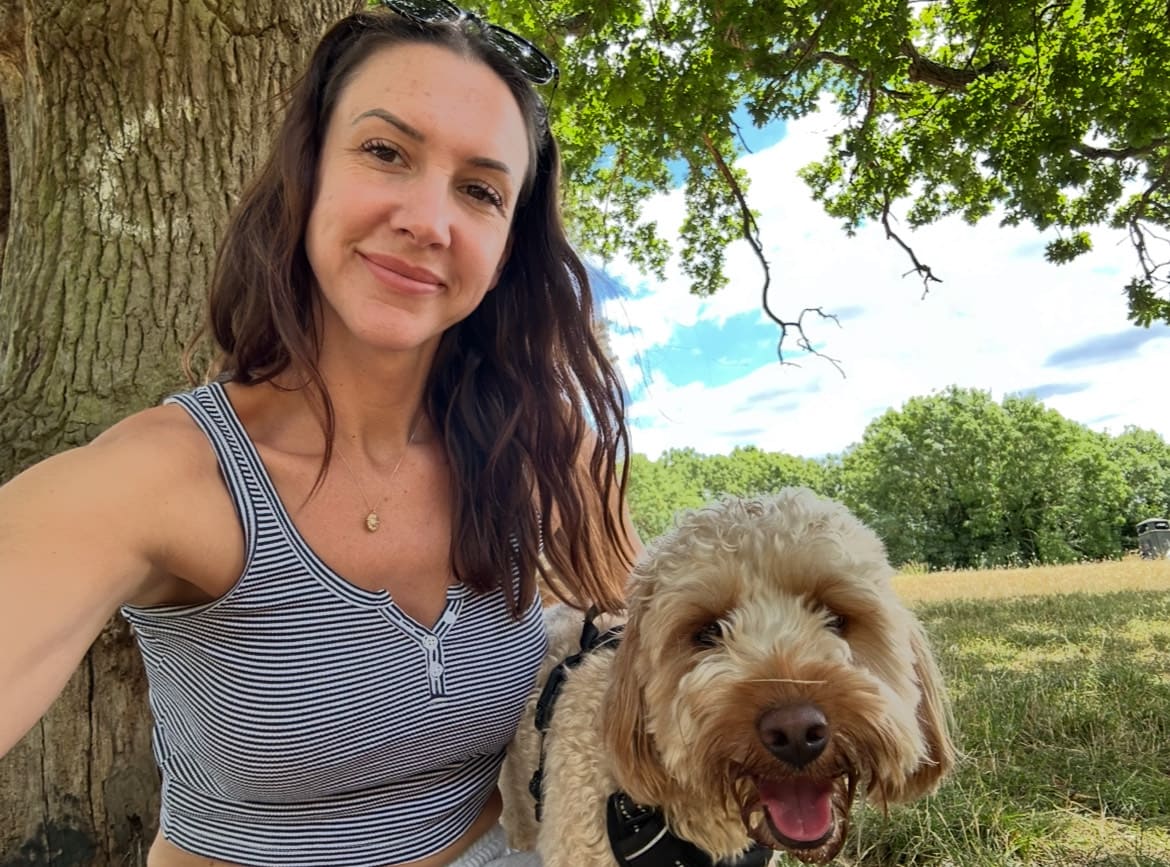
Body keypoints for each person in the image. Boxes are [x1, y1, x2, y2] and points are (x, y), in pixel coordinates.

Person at [0, 2, 641, 865]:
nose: (428, 219)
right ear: (306, 175)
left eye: (481, 191)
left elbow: (661, 657)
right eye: (386, 151)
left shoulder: (546, 453)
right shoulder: (167, 477)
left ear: (504, 252)